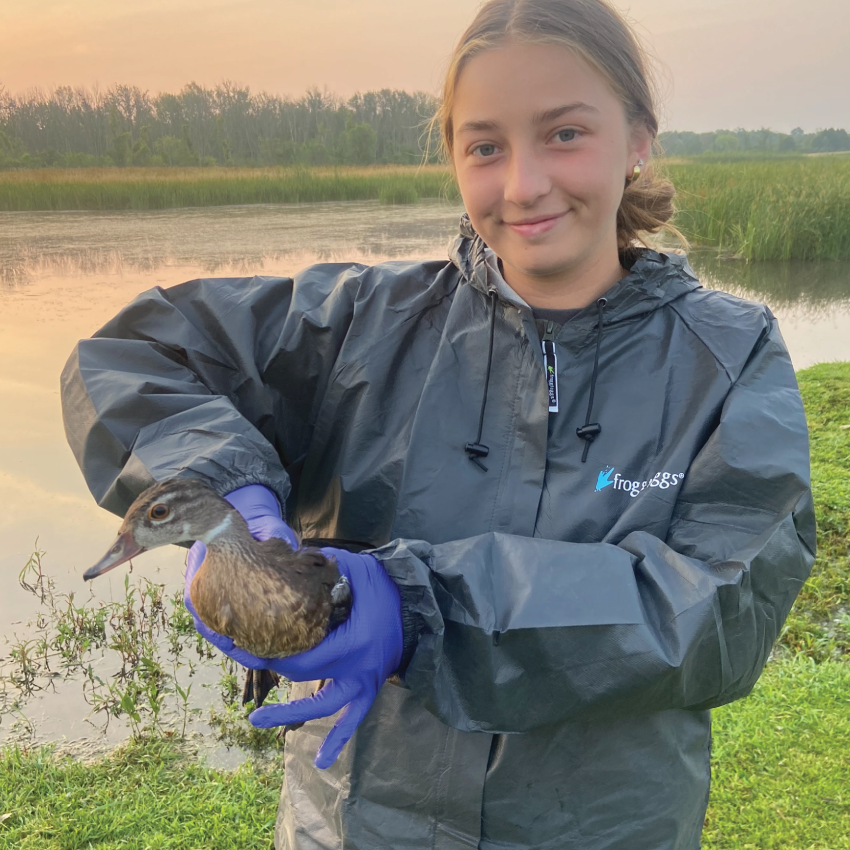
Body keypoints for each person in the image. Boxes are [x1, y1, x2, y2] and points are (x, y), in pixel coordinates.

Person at [60, 0, 815, 847]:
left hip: (607, 824)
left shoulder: (729, 355)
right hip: (356, 822)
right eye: (485, 146)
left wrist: (423, 611)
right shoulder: (358, 324)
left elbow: (727, 602)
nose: (524, 184)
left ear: (640, 136)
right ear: (453, 155)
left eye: (565, 133)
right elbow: (132, 355)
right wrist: (232, 495)